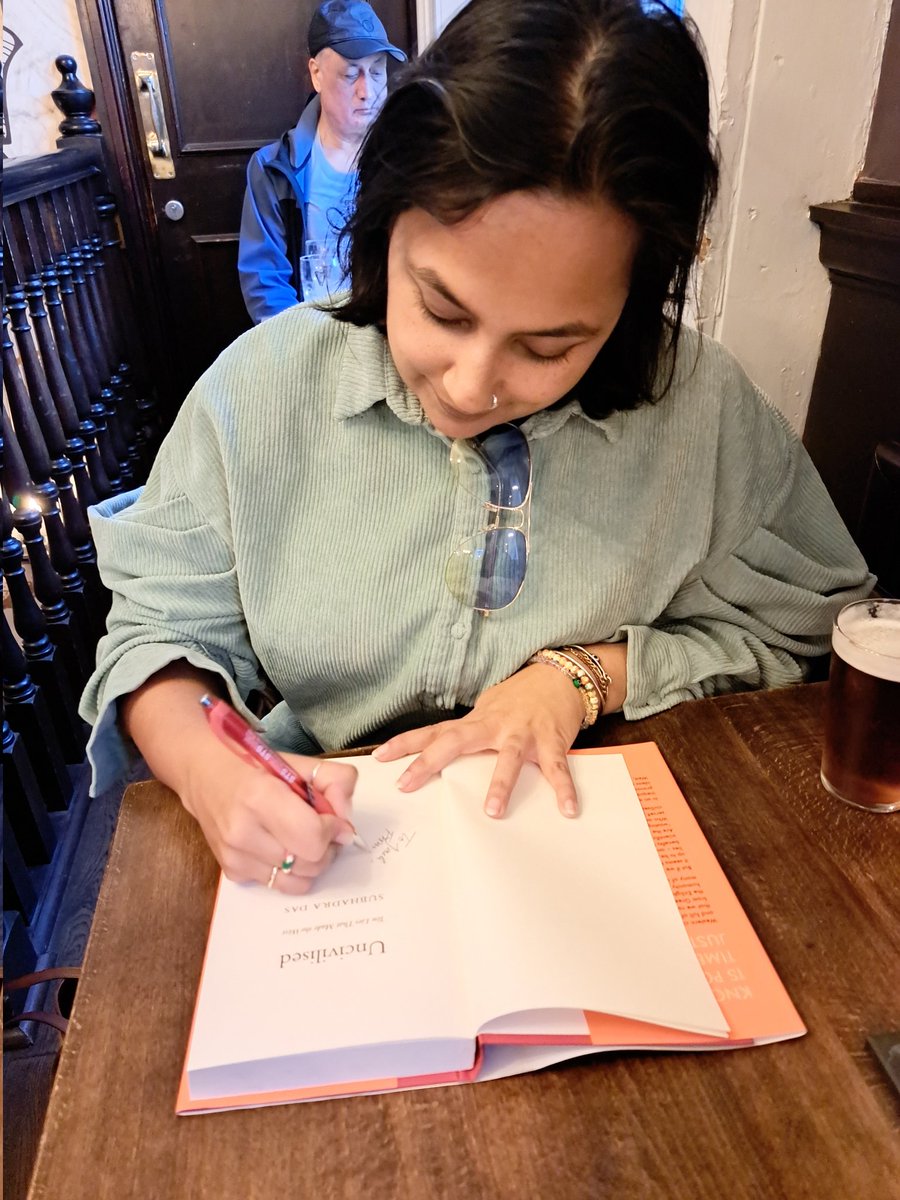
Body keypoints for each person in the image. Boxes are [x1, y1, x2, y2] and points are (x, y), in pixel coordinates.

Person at [82, 0, 873, 898]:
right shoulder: (262, 388)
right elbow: (157, 632)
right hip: (326, 862)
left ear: (635, 301)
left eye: (550, 348)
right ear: (385, 219)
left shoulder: (700, 407)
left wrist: (580, 676)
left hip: (597, 863)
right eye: (442, 310)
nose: (469, 385)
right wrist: (207, 767)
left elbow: (810, 628)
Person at [237, 0, 405, 323]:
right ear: (316, 73)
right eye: (351, 73)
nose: (366, 91)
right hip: (308, 338)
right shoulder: (274, 170)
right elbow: (265, 285)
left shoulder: (404, 160)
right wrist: (304, 352)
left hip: (387, 337)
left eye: (376, 72)